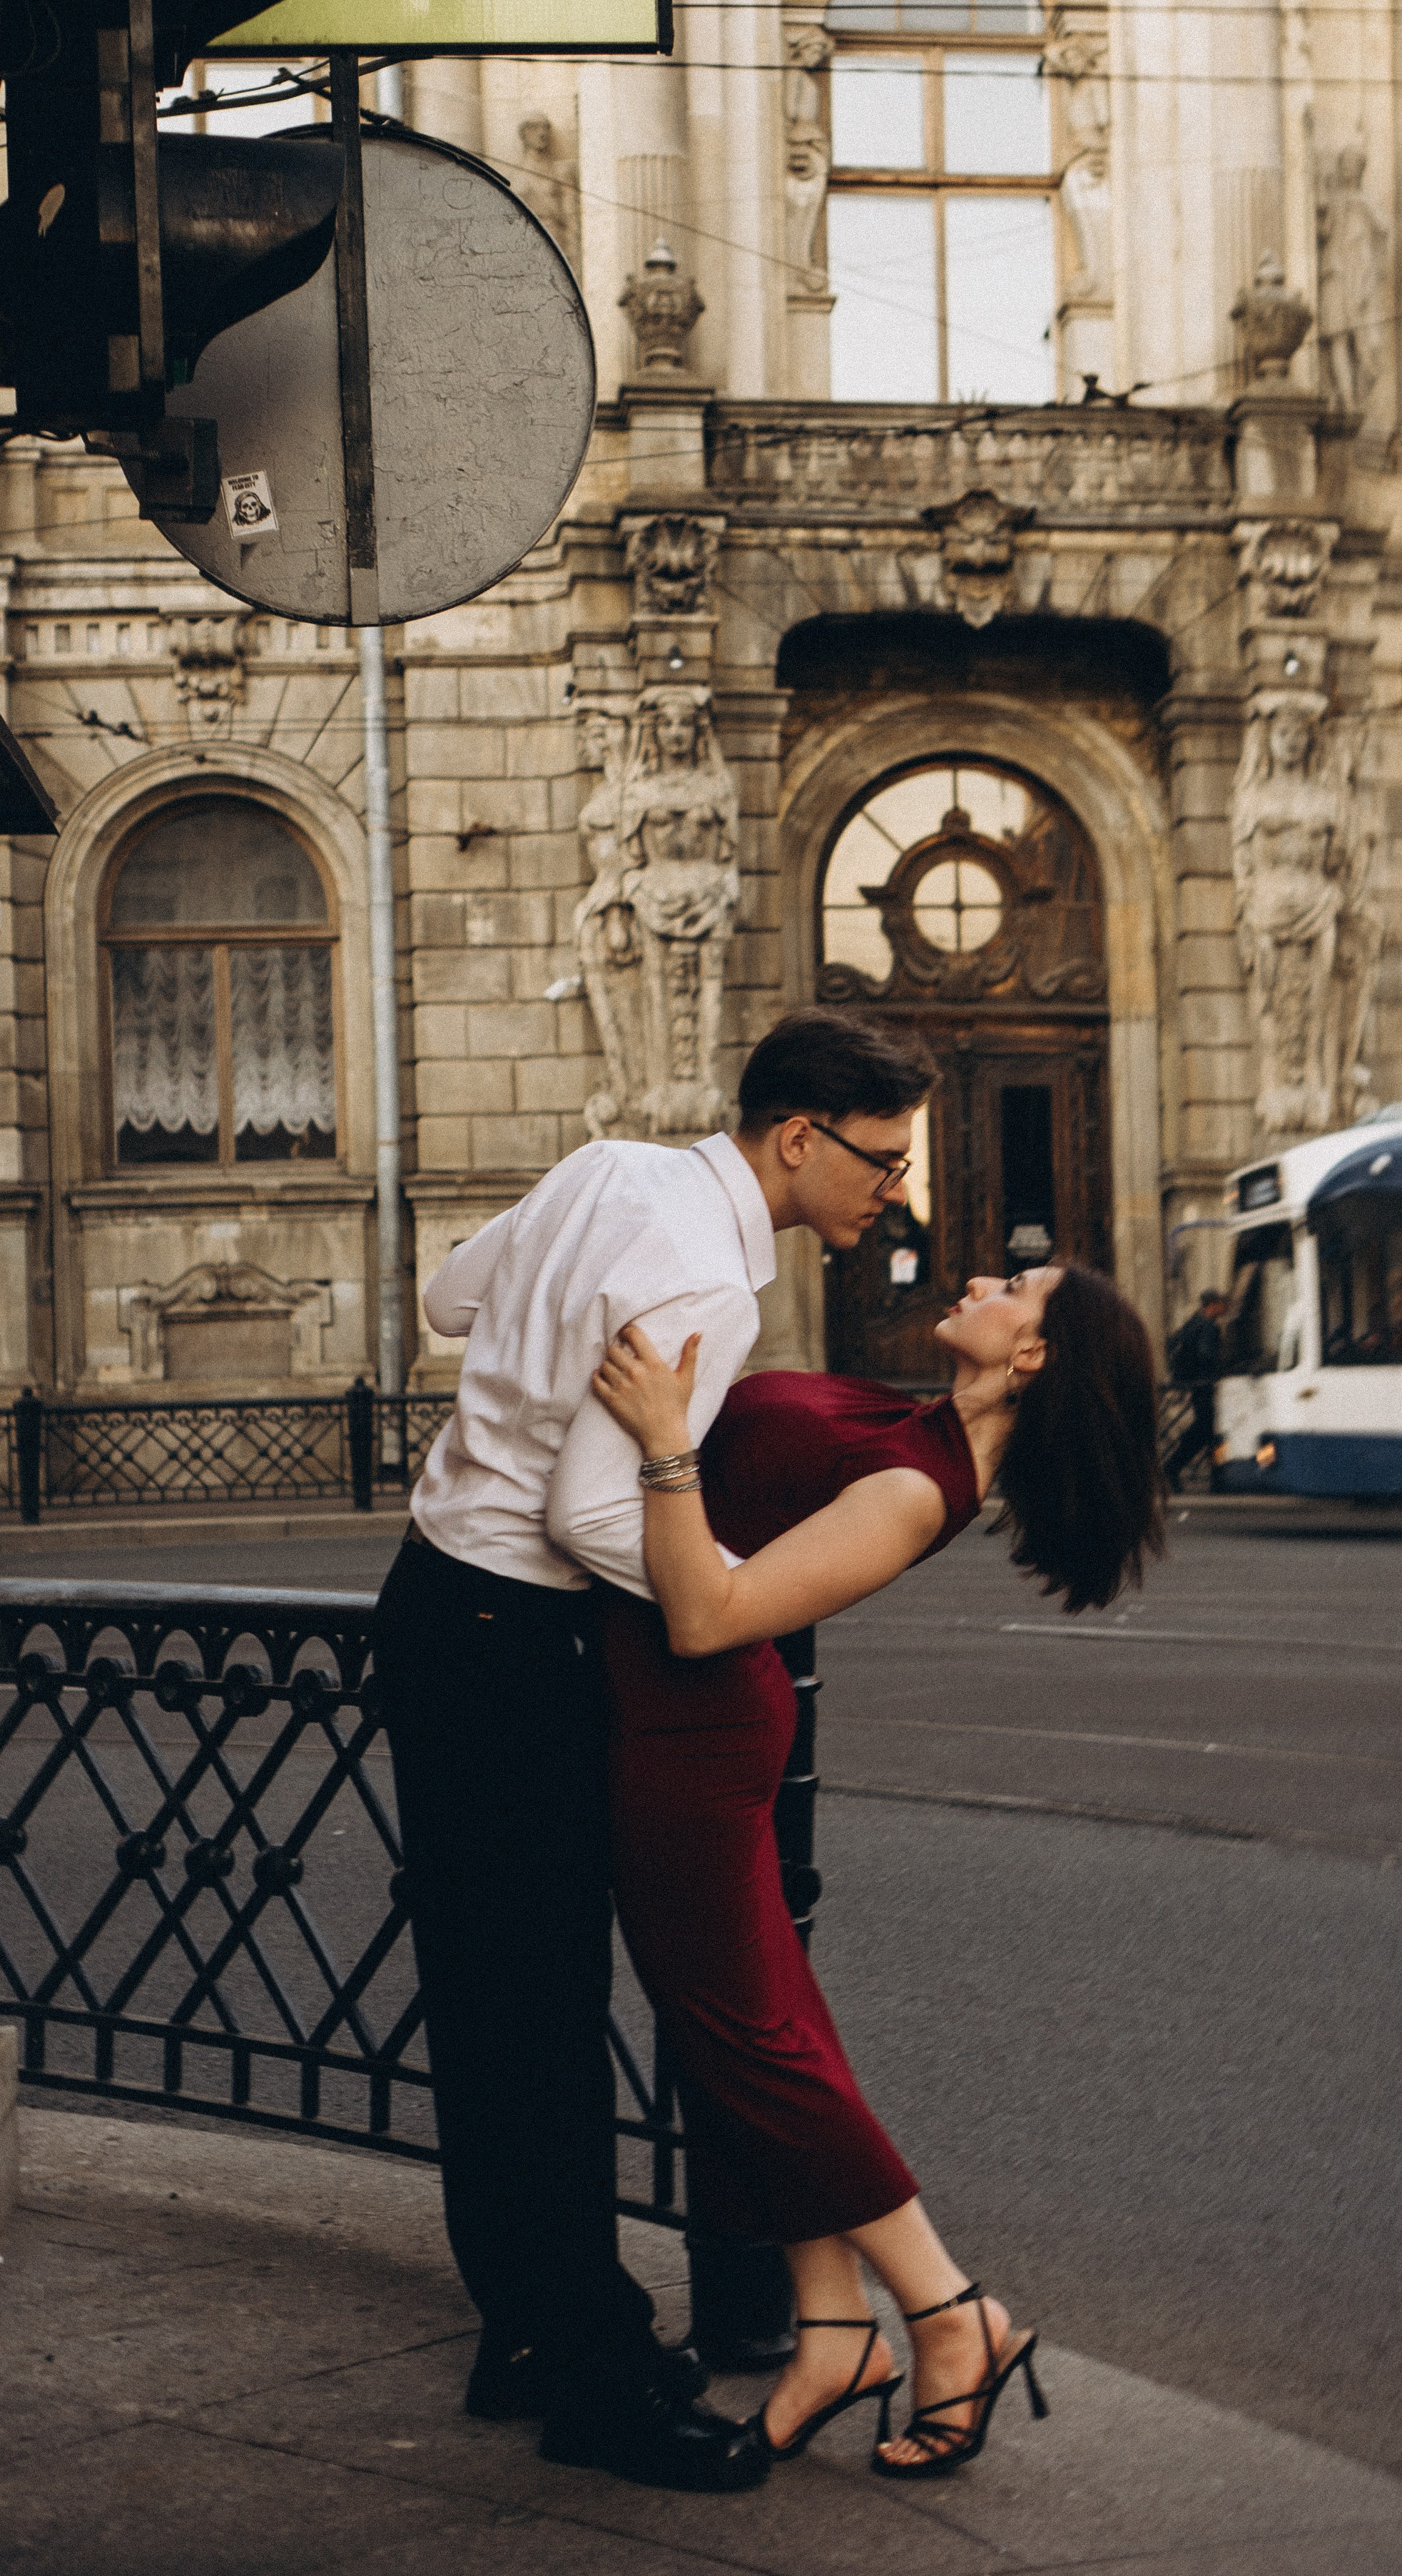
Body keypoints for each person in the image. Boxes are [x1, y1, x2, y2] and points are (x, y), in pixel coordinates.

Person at [370, 1007, 938, 2494]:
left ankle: (527, 2332)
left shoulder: (610, 1167)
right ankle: (593, 2374)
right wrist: (721, 1582)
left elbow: (445, 1296)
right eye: (876, 1160)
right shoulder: (705, 1272)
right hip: (515, 1633)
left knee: (492, 2003)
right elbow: (590, 1517)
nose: (892, 1191)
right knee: (548, 2013)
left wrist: (534, 1363)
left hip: (432, 1600)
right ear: (795, 1138)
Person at [580, 1255, 1164, 2478]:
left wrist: (659, 1441)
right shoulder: (910, 1421)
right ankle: (838, 2325)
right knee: (755, 2032)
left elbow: (705, 1613)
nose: (984, 1275)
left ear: (1035, 1355)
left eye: (1021, 1284)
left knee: (750, 2043)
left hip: (695, 1739)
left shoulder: (916, 1485)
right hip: (677, 1728)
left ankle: (952, 2316)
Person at [1165, 1289, 1227, 1486]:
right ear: (1212, 1304)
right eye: (1221, 1302)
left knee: (1207, 1432)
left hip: (1194, 1385)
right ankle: (1172, 1467)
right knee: (1204, 1431)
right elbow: (1206, 1356)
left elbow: (1174, 1343)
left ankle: (1218, 1478)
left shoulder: (1192, 1323)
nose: (1224, 1307)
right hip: (1205, 1385)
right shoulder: (1208, 1327)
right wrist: (1219, 1370)